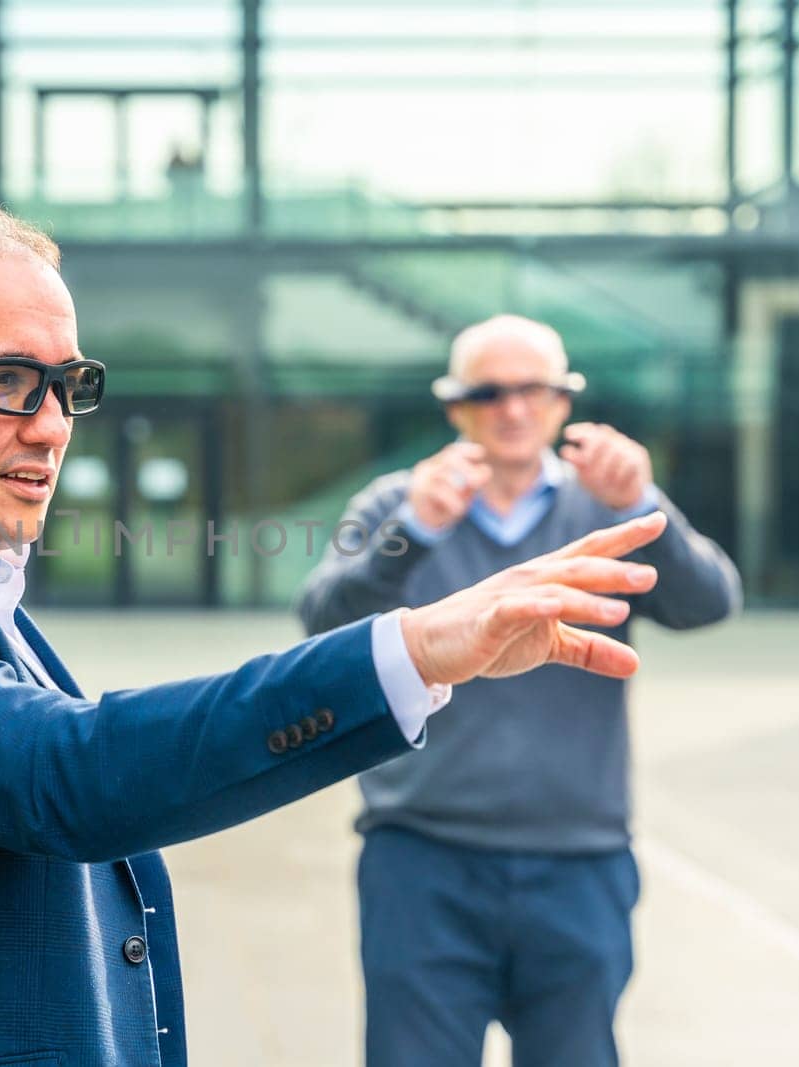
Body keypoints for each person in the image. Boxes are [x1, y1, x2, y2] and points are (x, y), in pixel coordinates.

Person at [0, 214, 670, 1067]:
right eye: (4, 382)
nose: (49, 425)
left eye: (65, 384)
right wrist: (410, 650)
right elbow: (66, 774)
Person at [296, 313, 741, 1067]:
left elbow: (709, 603)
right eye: (489, 391)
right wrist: (416, 530)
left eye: (531, 390)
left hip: (578, 861)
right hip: (422, 860)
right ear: (456, 407)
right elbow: (323, 621)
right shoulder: (396, 505)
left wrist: (644, 508)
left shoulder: (612, 505)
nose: (512, 409)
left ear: (563, 403)